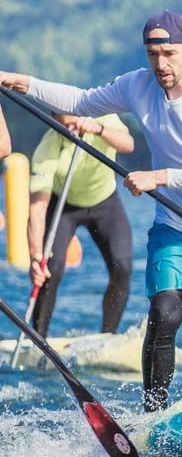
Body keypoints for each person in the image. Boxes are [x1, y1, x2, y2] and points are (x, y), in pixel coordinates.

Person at [0, 11, 182, 411]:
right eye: (152, 54)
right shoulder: (137, 86)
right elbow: (81, 101)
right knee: (164, 312)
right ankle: (153, 413)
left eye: (170, 53)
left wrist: (159, 177)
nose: (160, 64)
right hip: (176, 223)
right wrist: (24, 83)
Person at [28, 112, 135, 337]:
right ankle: (38, 338)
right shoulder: (48, 147)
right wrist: (36, 256)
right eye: (65, 128)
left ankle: (107, 335)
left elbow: (128, 145)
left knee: (122, 266)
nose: (72, 132)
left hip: (105, 202)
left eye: (74, 125)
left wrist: (99, 130)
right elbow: (37, 207)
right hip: (63, 206)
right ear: (56, 122)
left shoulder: (105, 119)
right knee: (50, 269)